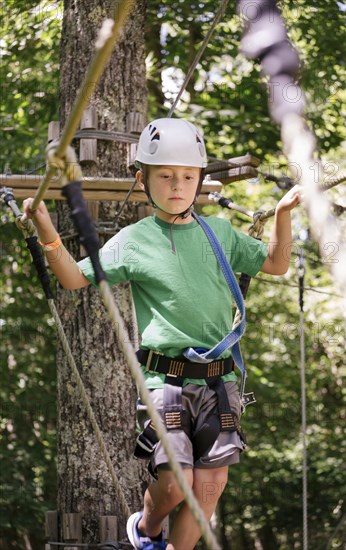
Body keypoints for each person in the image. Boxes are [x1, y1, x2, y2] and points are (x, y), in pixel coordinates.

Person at [23, 118, 301, 550]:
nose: (178, 185)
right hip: (166, 382)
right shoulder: (134, 240)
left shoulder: (221, 233)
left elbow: (276, 264)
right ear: (143, 179)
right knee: (176, 485)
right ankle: (146, 529)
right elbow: (75, 279)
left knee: (210, 485)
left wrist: (282, 215)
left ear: (199, 181)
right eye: (166, 176)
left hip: (220, 380)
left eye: (188, 177)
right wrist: (46, 230)